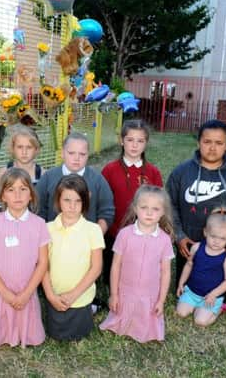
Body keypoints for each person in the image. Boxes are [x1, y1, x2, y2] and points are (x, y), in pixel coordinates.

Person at [166, 119, 226, 308]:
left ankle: (219, 299)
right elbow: (169, 206)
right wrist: (179, 236)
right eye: (207, 142)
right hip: (188, 245)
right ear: (198, 143)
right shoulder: (181, 172)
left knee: (220, 296)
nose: (212, 148)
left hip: (221, 247)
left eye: (219, 143)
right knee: (185, 291)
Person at [0, 168, 50, 348]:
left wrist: (26, 293)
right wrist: (5, 293)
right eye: (11, 190)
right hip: (2, 290)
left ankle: (26, 333)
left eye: (23, 189)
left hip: (27, 290)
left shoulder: (39, 224)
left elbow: (43, 263)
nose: (17, 195)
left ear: (31, 195)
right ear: (3, 196)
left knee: (27, 311)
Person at [99, 185, 175, 343]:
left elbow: (166, 272)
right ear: (135, 208)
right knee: (122, 316)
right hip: (126, 290)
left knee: (147, 319)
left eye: (155, 209)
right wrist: (114, 294)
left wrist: (161, 300)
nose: (149, 213)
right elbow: (115, 266)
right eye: (144, 207)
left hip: (150, 293)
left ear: (162, 212)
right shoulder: (125, 234)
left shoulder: (164, 239)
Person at [42, 174, 104, 341]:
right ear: (58, 200)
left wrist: (74, 294)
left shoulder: (93, 230)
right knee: (55, 334)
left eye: (78, 201)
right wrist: (50, 295)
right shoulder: (47, 229)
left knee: (79, 335)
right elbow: (42, 266)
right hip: (55, 295)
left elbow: (96, 267)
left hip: (80, 296)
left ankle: (90, 309)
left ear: (85, 202)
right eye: (67, 200)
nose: (72, 206)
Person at [101, 119, 162, 283]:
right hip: (115, 232)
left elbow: (159, 204)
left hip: (143, 233)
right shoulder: (109, 170)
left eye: (140, 141)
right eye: (130, 140)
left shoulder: (153, 172)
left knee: (137, 275)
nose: (134, 145)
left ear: (146, 143)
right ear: (121, 141)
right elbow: (103, 202)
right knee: (112, 275)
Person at [36, 132, 114, 234]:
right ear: (62, 153)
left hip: (86, 243)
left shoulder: (97, 180)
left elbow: (106, 212)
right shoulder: (48, 177)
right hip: (54, 241)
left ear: (88, 155)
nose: (77, 158)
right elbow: (38, 209)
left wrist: (95, 237)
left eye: (82, 154)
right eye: (71, 153)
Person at [176, 207, 226, 327]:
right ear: (205, 232)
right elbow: (189, 265)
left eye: (222, 238)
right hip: (192, 292)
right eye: (213, 236)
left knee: (201, 322)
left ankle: (218, 309)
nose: (216, 241)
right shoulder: (197, 248)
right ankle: (195, 305)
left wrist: (214, 294)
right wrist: (181, 283)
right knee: (180, 313)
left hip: (211, 297)